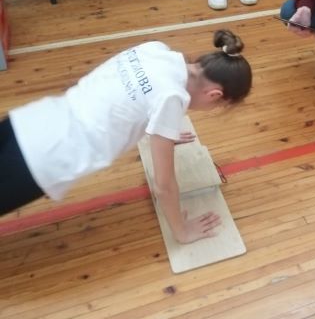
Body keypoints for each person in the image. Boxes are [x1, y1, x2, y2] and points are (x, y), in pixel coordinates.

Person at [0, 29, 252, 244]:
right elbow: (164, 185)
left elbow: (130, 98)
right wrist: (182, 232)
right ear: (214, 95)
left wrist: (164, 135)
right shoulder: (172, 97)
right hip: (42, 158)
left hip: (28, 120)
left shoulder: (156, 49)